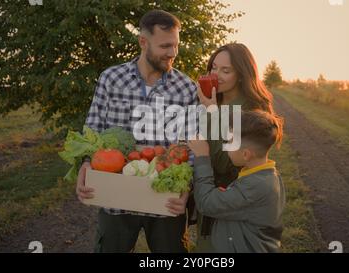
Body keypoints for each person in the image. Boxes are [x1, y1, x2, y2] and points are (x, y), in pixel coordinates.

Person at [76, 10, 198, 253]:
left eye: (175, 45)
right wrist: (87, 162)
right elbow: (94, 127)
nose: (172, 53)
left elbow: (192, 145)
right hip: (116, 199)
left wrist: (187, 188)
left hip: (166, 199)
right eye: (165, 46)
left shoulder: (186, 88)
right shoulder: (111, 78)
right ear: (143, 42)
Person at [194, 43, 280, 251]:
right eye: (214, 67)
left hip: (232, 198)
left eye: (226, 70)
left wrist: (213, 113)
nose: (216, 75)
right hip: (205, 187)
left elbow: (228, 159)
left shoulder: (252, 109)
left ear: (241, 74)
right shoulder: (211, 99)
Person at [188, 110, 285, 252]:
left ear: (246, 154)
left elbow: (206, 203)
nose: (226, 145)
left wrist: (202, 158)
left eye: (230, 141)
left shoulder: (256, 186)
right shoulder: (266, 175)